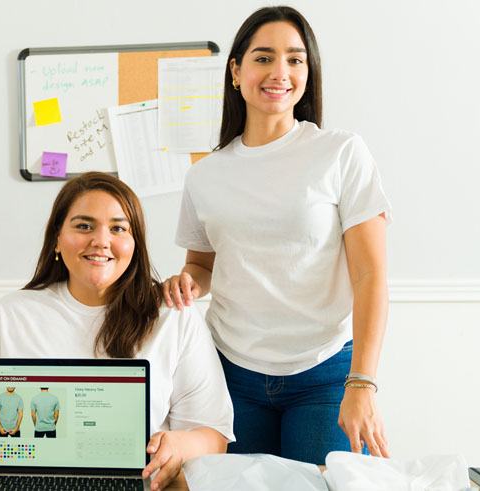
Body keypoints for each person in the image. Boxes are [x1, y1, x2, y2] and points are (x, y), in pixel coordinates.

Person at [163, 5, 392, 465]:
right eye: (264, 57)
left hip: (325, 374)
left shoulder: (341, 153)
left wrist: (363, 382)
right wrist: (187, 282)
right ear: (236, 71)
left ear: (308, 72)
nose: (279, 71)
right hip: (229, 372)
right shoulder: (205, 175)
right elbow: (201, 265)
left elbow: (370, 276)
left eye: (295, 59)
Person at [0, 172, 234, 491]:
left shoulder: (173, 317)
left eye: (118, 228)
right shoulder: (11, 314)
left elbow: (213, 434)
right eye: (84, 226)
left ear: (135, 244)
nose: (101, 240)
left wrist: (180, 446)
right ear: (57, 238)